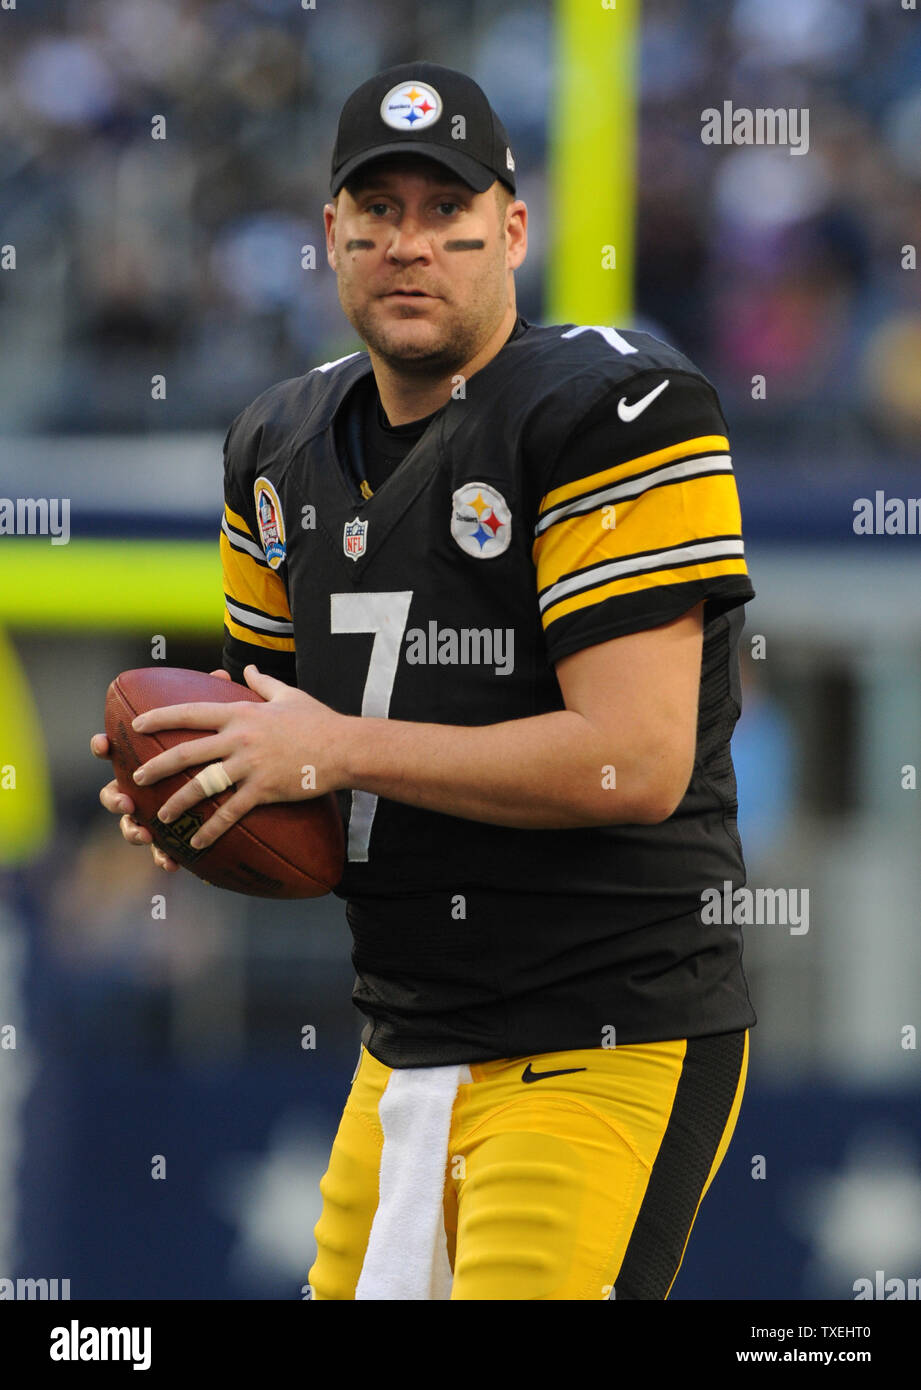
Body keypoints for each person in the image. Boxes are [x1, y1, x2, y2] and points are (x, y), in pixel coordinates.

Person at [93, 62, 756, 1301]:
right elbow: (301, 775)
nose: (411, 243)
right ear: (328, 237)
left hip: (600, 1030)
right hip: (402, 1043)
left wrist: (334, 750)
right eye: (377, 209)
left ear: (513, 229)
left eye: (445, 209)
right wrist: (206, 793)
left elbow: (637, 758)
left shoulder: (618, 409)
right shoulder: (276, 448)